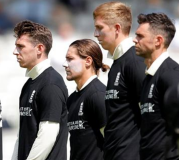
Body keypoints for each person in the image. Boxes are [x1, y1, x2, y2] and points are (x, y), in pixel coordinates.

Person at [93, 2, 146, 160]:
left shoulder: (135, 61)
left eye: (100, 28)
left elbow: (153, 115)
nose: (95, 34)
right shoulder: (117, 63)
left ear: (117, 28)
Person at [11, 20, 68, 160]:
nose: (14, 52)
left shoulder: (51, 83)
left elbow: (47, 135)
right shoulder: (29, 84)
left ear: (39, 49)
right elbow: (22, 134)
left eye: (20, 46)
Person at [133, 12, 179, 160]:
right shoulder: (148, 77)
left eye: (140, 36)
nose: (135, 40)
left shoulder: (172, 75)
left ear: (158, 40)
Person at [63, 39, 109, 160]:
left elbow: (113, 142)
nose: (65, 64)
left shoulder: (98, 95)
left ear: (88, 61)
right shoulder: (72, 99)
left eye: (70, 59)